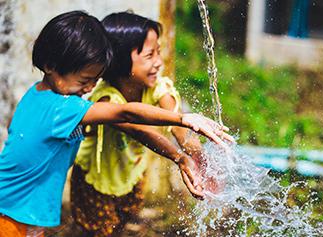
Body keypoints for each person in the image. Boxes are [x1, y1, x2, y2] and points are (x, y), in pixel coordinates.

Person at [0, 10, 230, 237]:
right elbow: (126, 114)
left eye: (94, 80)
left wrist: (186, 154)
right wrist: (183, 118)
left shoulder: (37, 96)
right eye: (84, 80)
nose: (89, 88)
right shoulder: (62, 108)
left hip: (20, 210)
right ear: (50, 66)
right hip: (11, 213)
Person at [69, 11, 227, 237]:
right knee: (98, 232)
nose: (159, 63)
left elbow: (178, 126)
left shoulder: (156, 87)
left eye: (159, 52)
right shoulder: (106, 98)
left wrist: (199, 159)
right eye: (150, 55)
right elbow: (139, 129)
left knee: (122, 223)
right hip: (95, 181)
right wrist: (179, 158)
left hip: (132, 173)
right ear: (122, 60)